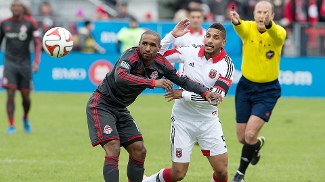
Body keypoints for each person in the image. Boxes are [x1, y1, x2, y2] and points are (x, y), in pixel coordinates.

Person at [85, 26, 222, 182]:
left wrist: (205, 92)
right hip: (101, 103)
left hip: (120, 108)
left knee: (139, 150)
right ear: (139, 44)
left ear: (159, 48)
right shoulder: (131, 55)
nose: (147, 48)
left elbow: (183, 80)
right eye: (144, 44)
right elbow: (120, 76)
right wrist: (152, 82)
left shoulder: (161, 63)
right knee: (113, 147)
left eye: (152, 45)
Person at [143, 19, 234, 182]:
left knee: (222, 171)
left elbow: (215, 99)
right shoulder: (189, 52)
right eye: (208, 36)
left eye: (215, 37)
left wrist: (183, 94)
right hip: (183, 121)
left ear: (223, 42)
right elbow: (158, 56)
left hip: (208, 122)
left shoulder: (226, 65)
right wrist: (171, 36)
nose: (210, 40)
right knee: (178, 174)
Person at [229, 1, 286, 181]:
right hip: (246, 87)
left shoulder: (279, 32)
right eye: (259, 12)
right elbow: (240, 28)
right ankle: (257, 145)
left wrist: (270, 24)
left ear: (272, 16)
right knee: (242, 137)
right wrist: (236, 21)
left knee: (250, 134)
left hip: (268, 90)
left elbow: (276, 34)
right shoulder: (248, 28)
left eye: (266, 13)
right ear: (254, 15)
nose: (262, 16)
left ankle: (240, 174)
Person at [0, 0, 42, 134]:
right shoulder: (4, 24)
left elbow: (37, 43)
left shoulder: (30, 23)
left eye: (19, 6)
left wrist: (36, 61)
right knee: (10, 93)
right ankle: (11, 125)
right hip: (10, 64)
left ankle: (25, 117)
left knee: (25, 97)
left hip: (24, 64)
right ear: (11, 9)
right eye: (14, 6)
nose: (16, 8)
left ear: (23, 9)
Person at [173, 8, 206, 74]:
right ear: (188, 18)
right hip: (185, 74)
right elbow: (174, 53)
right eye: (193, 17)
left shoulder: (207, 35)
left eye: (198, 17)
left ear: (202, 18)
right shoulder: (181, 35)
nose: (195, 20)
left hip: (203, 73)